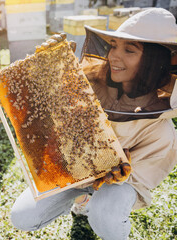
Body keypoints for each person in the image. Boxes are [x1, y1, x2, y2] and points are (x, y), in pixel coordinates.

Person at [10, 8, 177, 240]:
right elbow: (49, 117)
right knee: (23, 216)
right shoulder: (89, 84)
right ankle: (83, 201)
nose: (114, 56)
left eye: (129, 50)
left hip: (114, 188)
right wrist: (49, 70)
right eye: (113, 45)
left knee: (105, 215)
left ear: (154, 60)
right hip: (72, 169)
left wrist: (122, 173)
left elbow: (142, 176)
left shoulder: (161, 132)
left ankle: (102, 215)